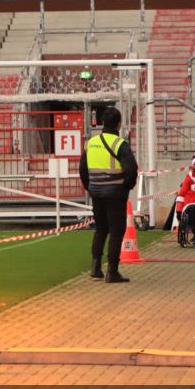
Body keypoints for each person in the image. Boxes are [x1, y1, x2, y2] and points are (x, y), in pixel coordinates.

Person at [80, 107, 138, 283]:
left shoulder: (91, 143)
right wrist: (126, 187)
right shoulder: (120, 144)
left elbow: (83, 169)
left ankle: (95, 267)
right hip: (115, 194)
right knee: (116, 231)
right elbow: (131, 170)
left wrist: (90, 187)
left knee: (101, 228)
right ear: (119, 124)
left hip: (96, 192)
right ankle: (112, 271)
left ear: (102, 123)